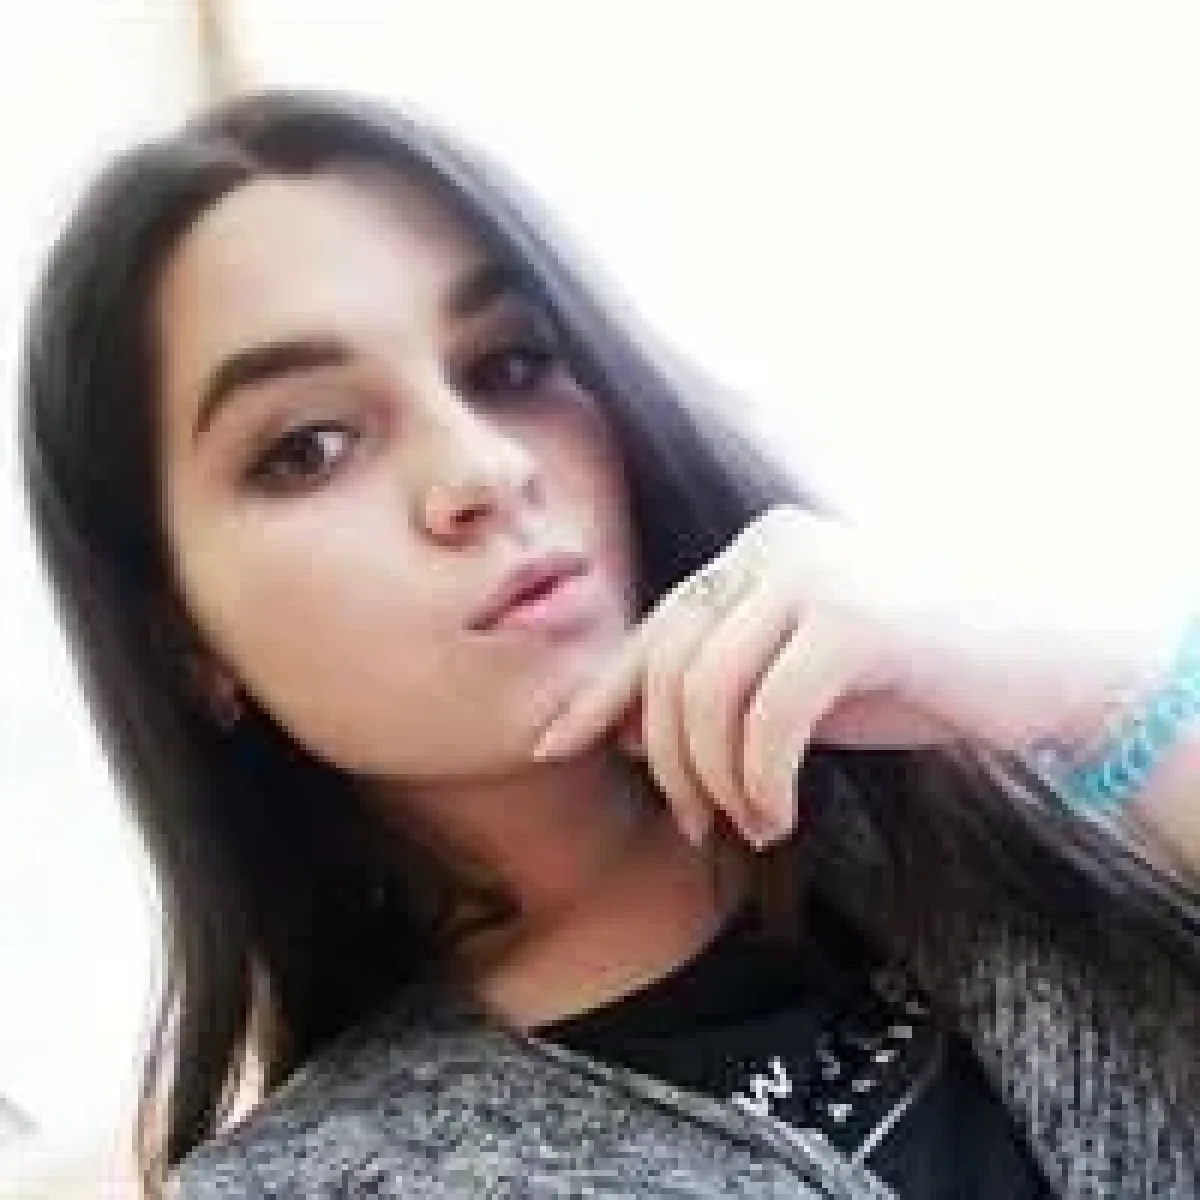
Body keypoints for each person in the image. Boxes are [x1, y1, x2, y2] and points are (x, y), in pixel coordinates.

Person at [17, 89, 1197, 1199]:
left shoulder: (999, 766)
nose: (484, 468)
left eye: (510, 366)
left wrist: (1082, 690)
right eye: (310, 446)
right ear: (183, 642)